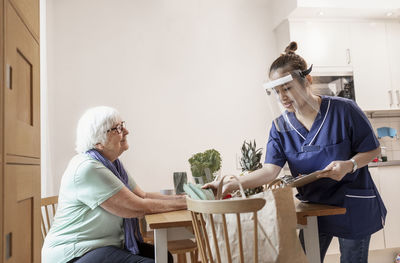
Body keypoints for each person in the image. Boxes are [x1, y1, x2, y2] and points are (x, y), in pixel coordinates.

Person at [204, 42, 386, 263]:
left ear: (307, 81)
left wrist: (350, 165)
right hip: (313, 206)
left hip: (351, 202)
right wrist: (229, 184)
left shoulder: (344, 109)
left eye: (287, 88)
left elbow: (373, 148)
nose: (282, 98)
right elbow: (270, 170)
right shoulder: (280, 126)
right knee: (305, 259)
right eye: (277, 91)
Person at [42, 106, 187, 263]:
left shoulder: (112, 165)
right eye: (117, 128)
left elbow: (143, 195)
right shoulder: (88, 168)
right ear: (98, 142)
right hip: (75, 253)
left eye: (122, 125)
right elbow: (137, 207)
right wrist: (187, 203)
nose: (126, 131)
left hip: (104, 245)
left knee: (165, 257)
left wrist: (185, 198)